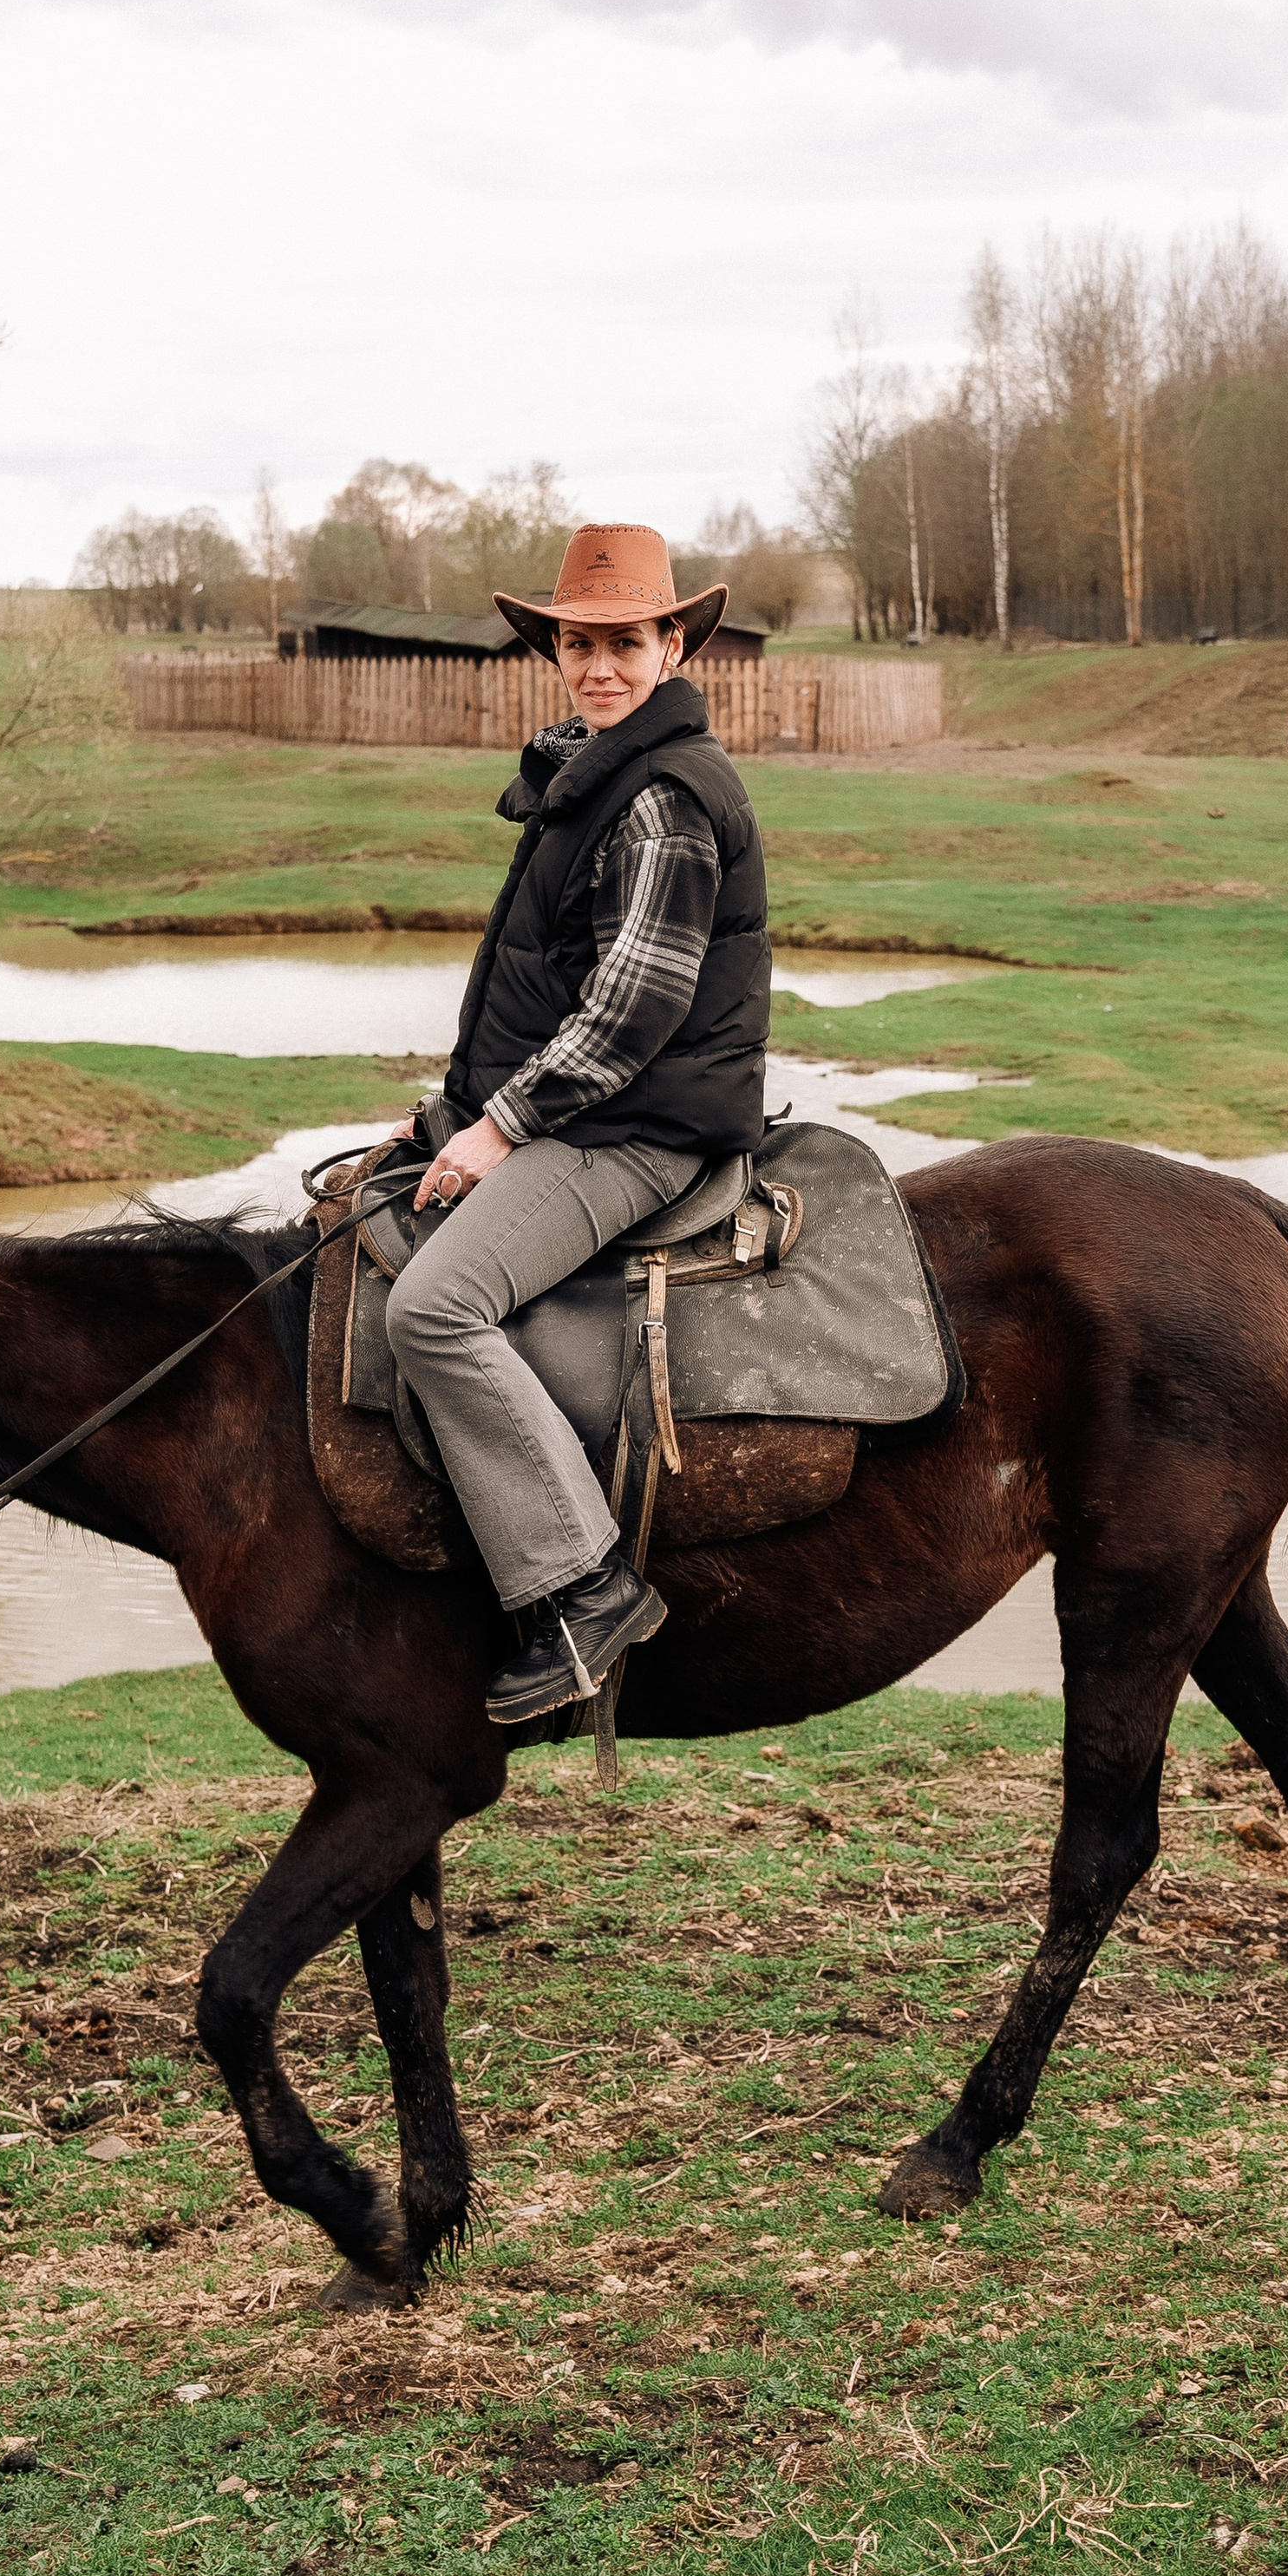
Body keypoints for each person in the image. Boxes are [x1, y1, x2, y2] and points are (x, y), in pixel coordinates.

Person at [382, 522, 770, 1727]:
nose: (599, 666)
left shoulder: (662, 798)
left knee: (433, 1308)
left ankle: (583, 1585)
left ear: (672, 647)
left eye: (624, 643)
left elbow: (632, 1009)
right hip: (595, 1108)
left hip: (638, 1129)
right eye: (578, 643)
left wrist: (499, 1126)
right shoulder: (592, 773)